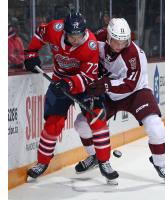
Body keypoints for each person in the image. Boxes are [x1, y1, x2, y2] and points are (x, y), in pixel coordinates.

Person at [73, 18, 165, 182]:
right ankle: (94, 156)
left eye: (124, 42)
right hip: (108, 93)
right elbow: (84, 52)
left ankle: (161, 164)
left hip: (136, 92)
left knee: (156, 126)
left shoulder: (133, 55)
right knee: (81, 123)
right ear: (108, 36)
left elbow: (130, 84)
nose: (120, 46)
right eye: (116, 41)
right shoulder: (98, 38)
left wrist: (106, 84)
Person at [24, 12, 118, 183]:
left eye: (79, 35)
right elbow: (39, 33)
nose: (76, 39)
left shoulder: (90, 45)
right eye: (72, 36)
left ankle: (104, 161)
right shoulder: (54, 29)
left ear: (84, 31)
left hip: (85, 84)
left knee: (96, 118)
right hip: (59, 79)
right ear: (64, 32)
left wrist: (69, 84)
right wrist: (31, 53)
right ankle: (42, 162)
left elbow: (89, 77)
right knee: (53, 123)